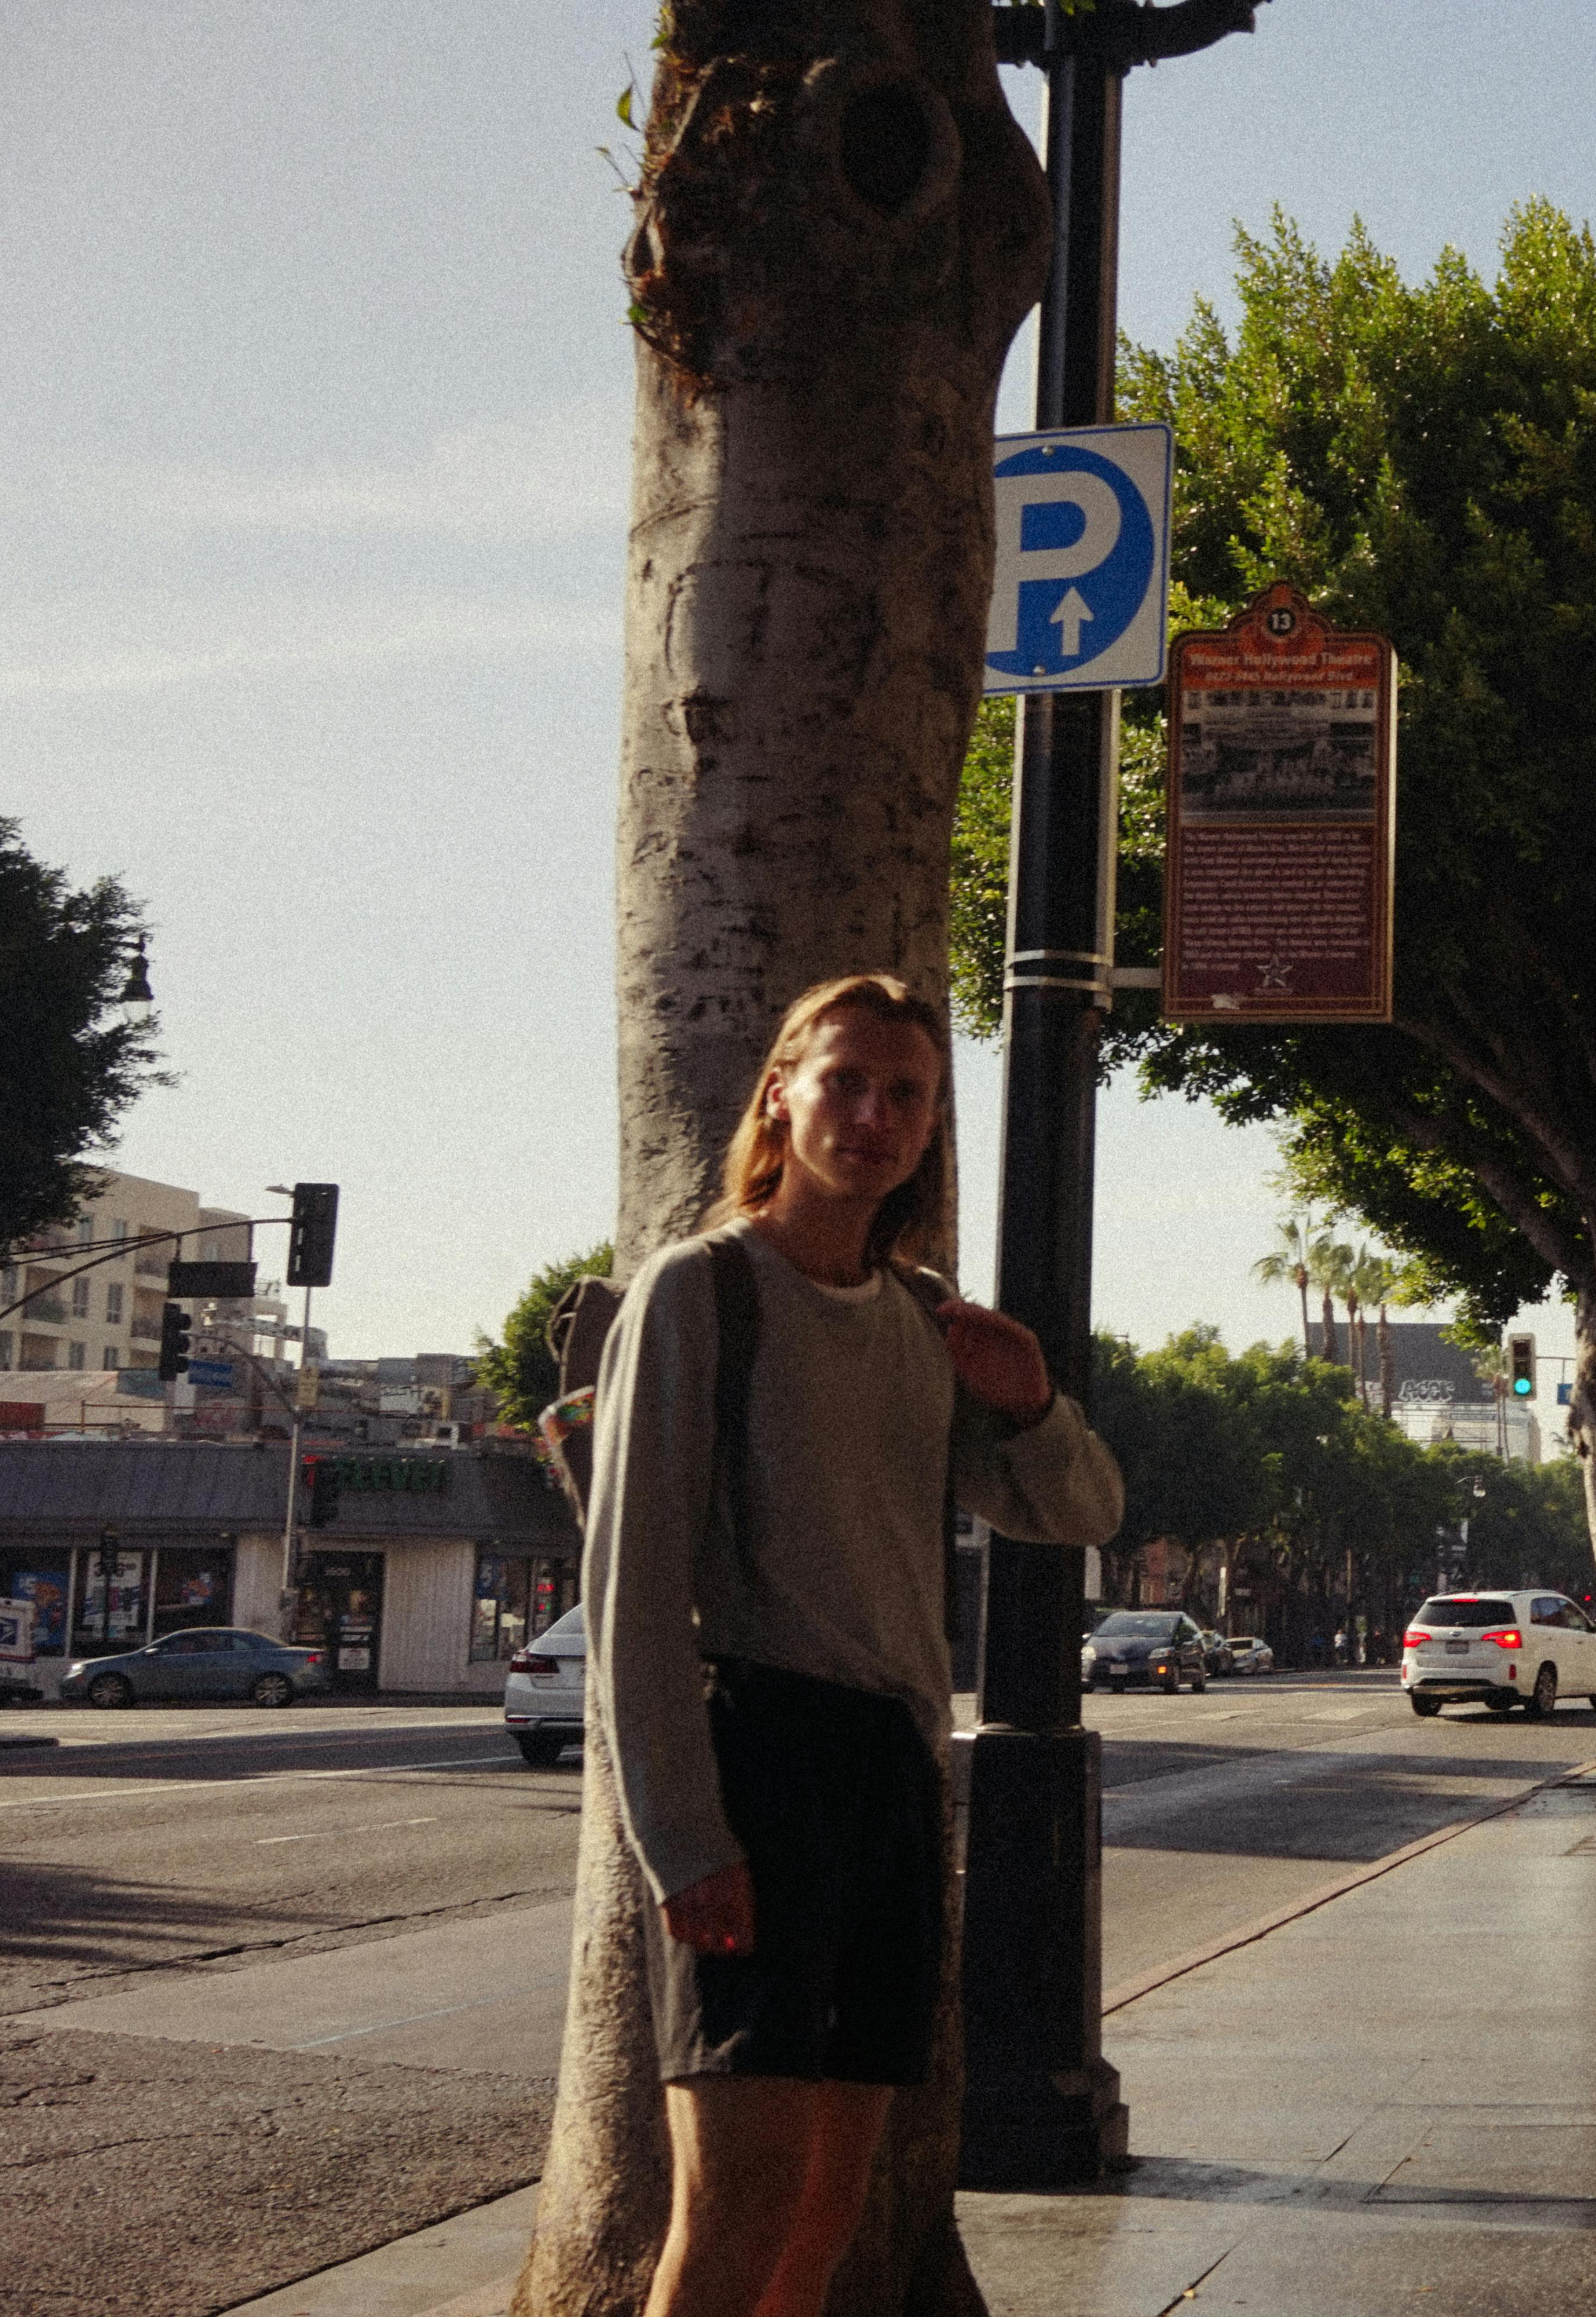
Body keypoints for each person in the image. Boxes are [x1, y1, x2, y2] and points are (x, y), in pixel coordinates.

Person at [583, 973, 1125, 2317]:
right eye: (848, 1082)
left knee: (833, 2204)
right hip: (757, 1755)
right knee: (738, 2200)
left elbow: (1079, 1509)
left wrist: (1035, 1397)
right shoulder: (703, 1291)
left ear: (934, 1123)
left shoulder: (923, 1318)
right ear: (783, 1093)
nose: (877, 1114)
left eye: (909, 1093)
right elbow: (632, 1583)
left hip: (891, 1767)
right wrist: (683, 1835)